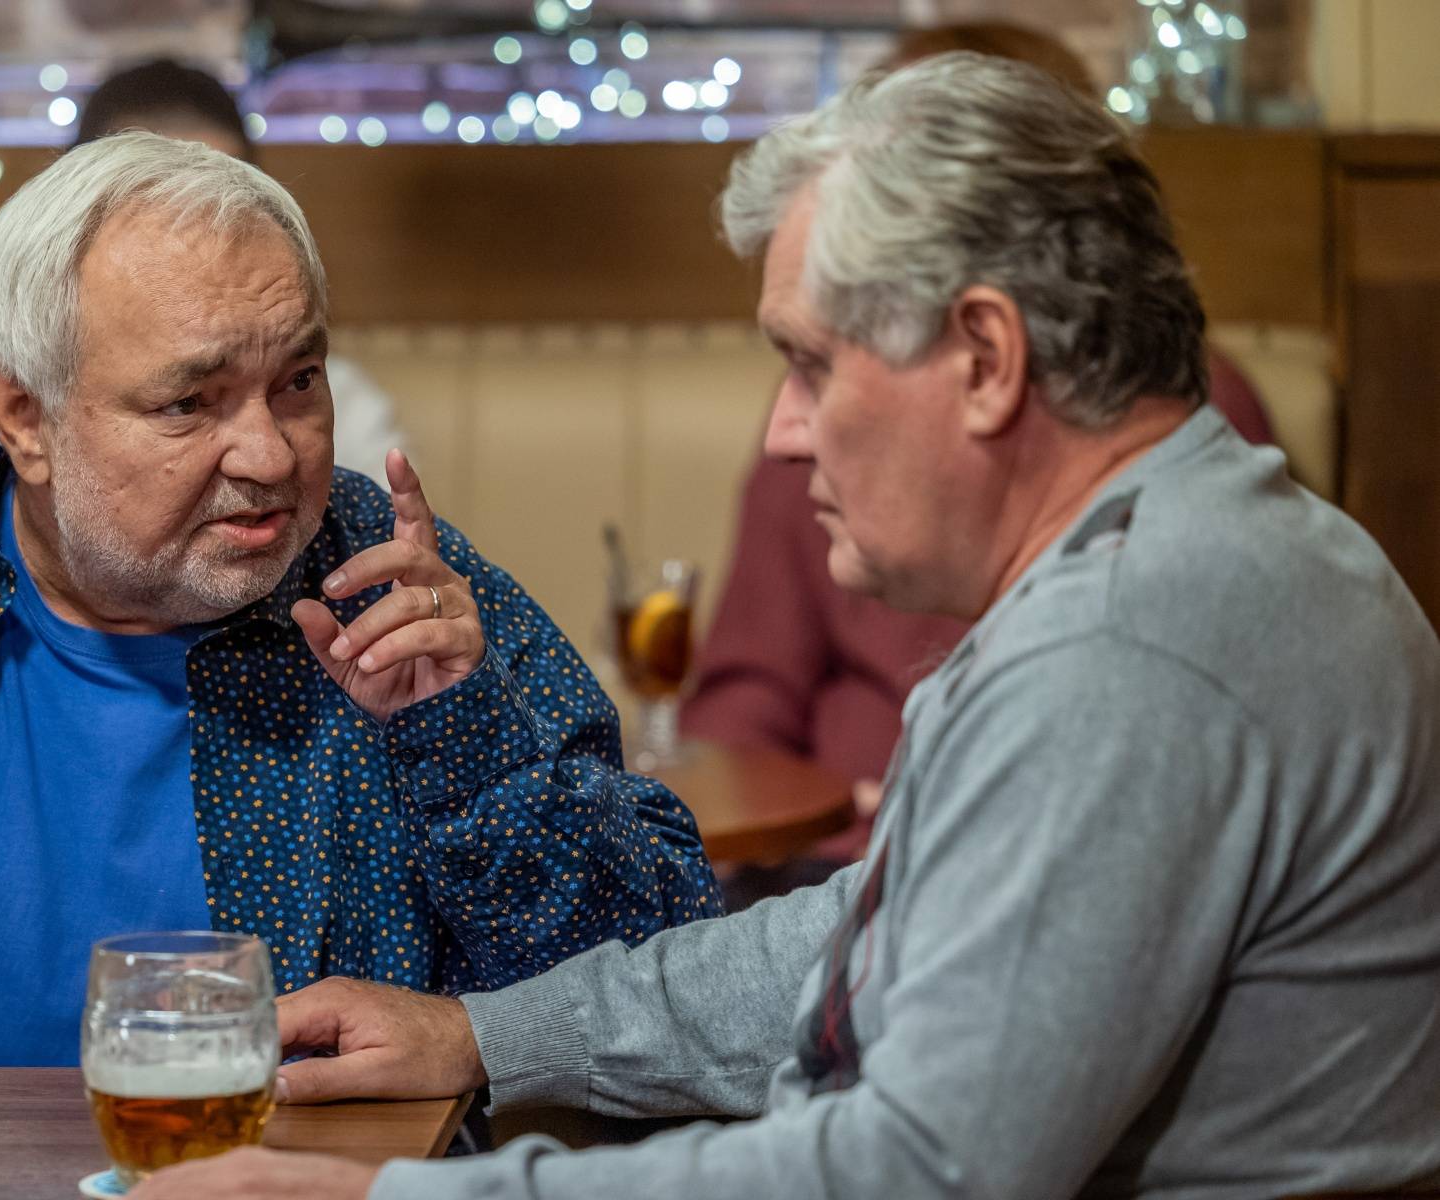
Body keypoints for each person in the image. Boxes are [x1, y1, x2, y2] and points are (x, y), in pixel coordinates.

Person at [129, 53, 1440, 1199]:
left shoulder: (1124, 654)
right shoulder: (1204, 543)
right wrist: (488, 1033)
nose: (783, 431)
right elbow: (868, 939)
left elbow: (908, 1174)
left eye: (809, 363)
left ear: (985, 360)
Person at [0, 133, 719, 1072]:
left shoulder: (390, 580)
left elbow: (651, 983)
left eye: (297, 381)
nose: (270, 455)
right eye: (188, 404)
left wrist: (467, 743)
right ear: (24, 417)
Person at [682, 19, 1279, 874]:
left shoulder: (1126, 616)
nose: (784, 434)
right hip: (827, 867)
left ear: (987, 356)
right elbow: (743, 701)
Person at [74, 58, 409, 485]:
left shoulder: (343, 406)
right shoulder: (40, 397)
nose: (271, 461)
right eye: (183, 405)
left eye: (226, 197)